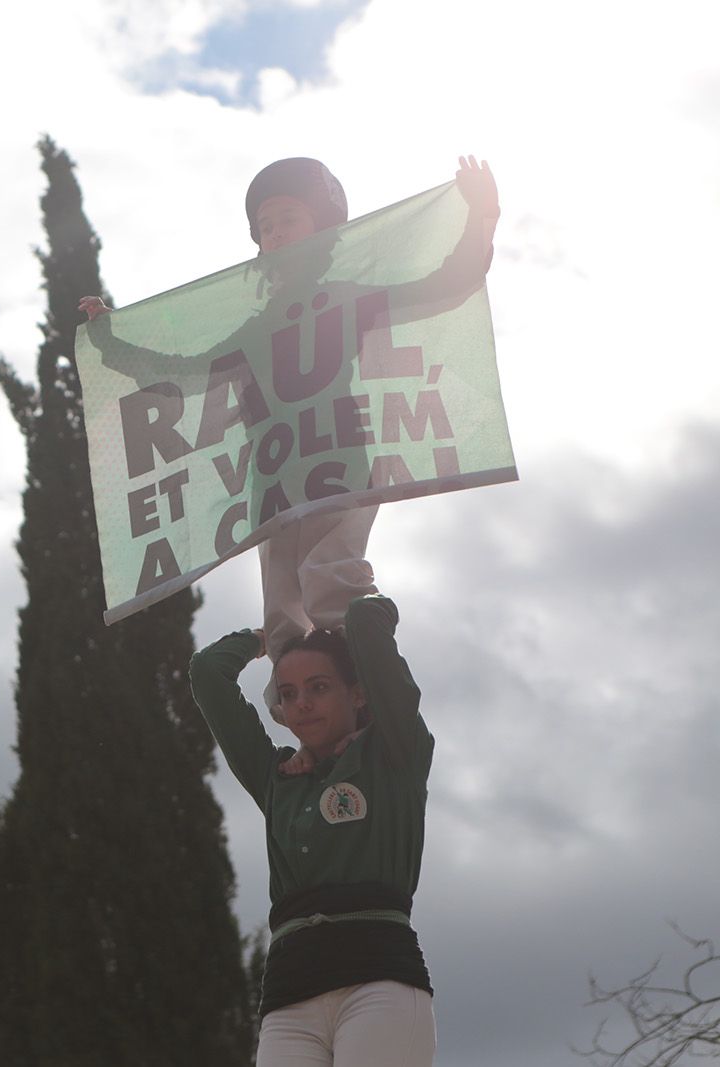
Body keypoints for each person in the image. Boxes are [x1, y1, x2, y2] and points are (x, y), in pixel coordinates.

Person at [78, 156, 499, 712]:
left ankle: (366, 697)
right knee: (280, 604)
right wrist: (113, 340)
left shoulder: (348, 294)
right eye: (264, 227)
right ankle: (302, 714)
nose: (274, 233)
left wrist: (481, 216)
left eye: (287, 219)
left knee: (332, 578)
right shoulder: (258, 324)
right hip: (274, 471)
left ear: (324, 229)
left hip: (339, 454)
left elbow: (445, 282)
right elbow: (187, 371)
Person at [188, 594, 435, 1065]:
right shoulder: (276, 778)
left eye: (319, 687)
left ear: (358, 693)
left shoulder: (395, 754)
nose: (302, 704)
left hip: (379, 980)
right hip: (289, 996)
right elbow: (207, 673)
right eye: (288, 693)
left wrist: (332, 614)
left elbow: (366, 615)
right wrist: (266, 639)